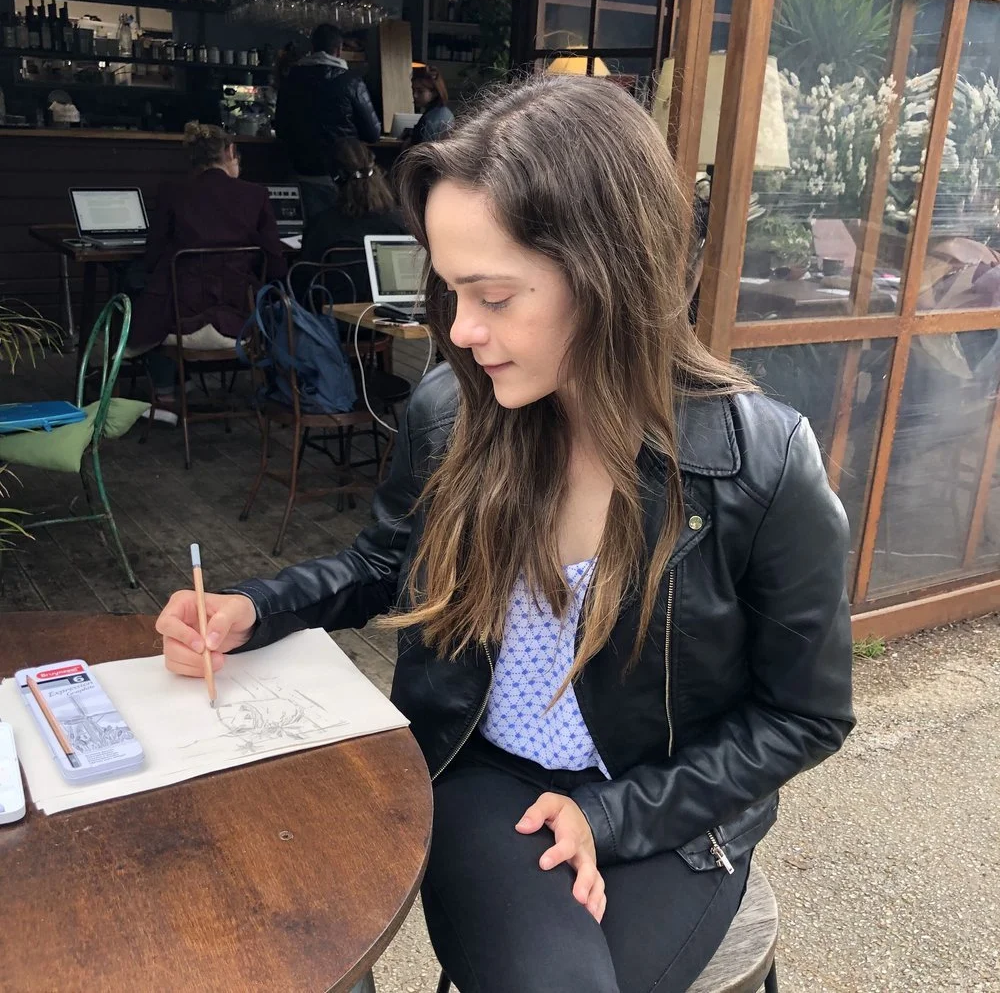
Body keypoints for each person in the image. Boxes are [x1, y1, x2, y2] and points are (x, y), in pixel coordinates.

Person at [155, 76, 854, 993]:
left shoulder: (757, 464)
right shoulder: (456, 411)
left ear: (610, 275)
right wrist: (256, 607)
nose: (461, 331)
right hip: (485, 774)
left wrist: (614, 816)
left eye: (492, 294)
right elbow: (383, 562)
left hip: (673, 804)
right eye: (448, 293)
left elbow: (807, 713)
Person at [131, 121, 287, 404]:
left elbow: (152, 257)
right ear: (230, 151)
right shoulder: (255, 195)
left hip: (180, 317)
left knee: (140, 285)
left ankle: (165, 389)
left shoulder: (172, 193)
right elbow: (275, 264)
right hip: (240, 317)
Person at [275, 24, 383, 219]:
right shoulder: (352, 81)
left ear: (313, 48)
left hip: (301, 172)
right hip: (342, 176)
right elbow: (373, 133)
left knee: (307, 233)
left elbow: (281, 129)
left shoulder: (292, 78)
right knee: (340, 230)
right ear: (339, 49)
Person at [299, 137, 408, 305]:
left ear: (334, 179)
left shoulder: (322, 226)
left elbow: (304, 281)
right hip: (389, 319)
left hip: (333, 322)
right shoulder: (401, 221)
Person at [408, 65, 454, 145]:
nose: (414, 95)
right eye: (413, 90)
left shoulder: (433, 120)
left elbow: (424, 152)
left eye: (420, 91)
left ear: (435, 93)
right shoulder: (440, 112)